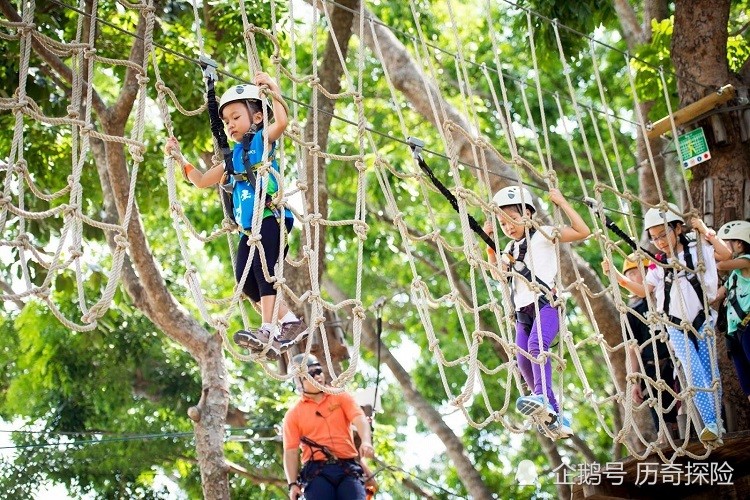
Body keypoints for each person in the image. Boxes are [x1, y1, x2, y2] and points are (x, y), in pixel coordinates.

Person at [165, 72, 307, 359]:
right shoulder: (233, 159)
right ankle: (289, 322)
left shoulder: (261, 142)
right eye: (226, 121)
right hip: (247, 229)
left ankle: (267, 328)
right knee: (246, 280)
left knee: (264, 272)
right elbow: (203, 180)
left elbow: (281, 122)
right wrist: (181, 159)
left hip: (269, 219)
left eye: (235, 117)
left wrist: (274, 91)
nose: (229, 125)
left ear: (255, 119)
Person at [615, 203, 729, 442]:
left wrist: (705, 230)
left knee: (710, 372)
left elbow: (725, 255)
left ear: (677, 228)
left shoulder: (699, 248)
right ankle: (710, 423)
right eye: (654, 238)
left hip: (702, 319)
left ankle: (717, 422)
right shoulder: (658, 264)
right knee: (692, 370)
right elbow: (645, 290)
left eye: (663, 234)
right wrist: (619, 280)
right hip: (674, 325)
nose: (660, 242)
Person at [484, 185, 591, 438]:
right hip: (523, 312)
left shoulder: (543, 235)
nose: (508, 227)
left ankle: (542, 397)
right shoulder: (509, 250)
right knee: (522, 361)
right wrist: (490, 249)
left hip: (546, 305)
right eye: (502, 223)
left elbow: (582, 231)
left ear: (528, 215)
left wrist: (562, 202)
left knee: (536, 346)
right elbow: (499, 276)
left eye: (512, 219)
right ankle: (553, 413)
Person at [603, 254, 678, 438]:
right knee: (664, 424)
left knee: (685, 413)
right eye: (631, 274)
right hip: (653, 373)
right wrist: (634, 380)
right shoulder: (633, 313)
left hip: (677, 365)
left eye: (638, 272)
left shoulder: (669, 300)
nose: (634, 278)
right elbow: (633, 350)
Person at [283, 354, 375, 500]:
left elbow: (359, 419)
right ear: (299, 382)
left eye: (318, 371)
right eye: (311, 374)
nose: (318, 376)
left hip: (347, 467)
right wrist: (292, 484)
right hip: (316, 472)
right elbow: (290, 452)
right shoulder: (294, 414)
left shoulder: (340, 396)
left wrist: (366, 441)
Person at [716, 220, 750, 402]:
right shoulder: (734, 277)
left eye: (725, 243)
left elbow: (721, 265)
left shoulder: (747, 262)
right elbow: (717, 295)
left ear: (740, 243)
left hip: (748, 325)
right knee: (746, 382)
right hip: (735, 333)